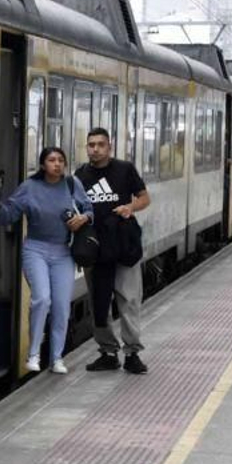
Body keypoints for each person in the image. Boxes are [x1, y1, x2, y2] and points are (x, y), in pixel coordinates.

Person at [0, 146, 93, 375]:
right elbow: (8, 215)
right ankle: (33, 354)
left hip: (64, 253)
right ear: (42, 165)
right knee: (41, 299)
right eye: (51, 160)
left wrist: (84, 218)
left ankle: (56, 358)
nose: (57, 164)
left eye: (61, 160)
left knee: (61, 306)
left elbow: (90, 209)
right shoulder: (30, 187)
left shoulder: (72, 184)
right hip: (35, 250)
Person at [76, 128, 150, 374]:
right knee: (99, 302)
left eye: (100, 144)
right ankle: (108, 352)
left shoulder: (125, 169)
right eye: (91, 145)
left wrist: (130, 208)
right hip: (95, 248)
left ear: (110, 146)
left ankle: (132, 353)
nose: (95, 149)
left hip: (124, 245)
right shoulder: (80, 176)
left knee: (129, 299)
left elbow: (144, 198)